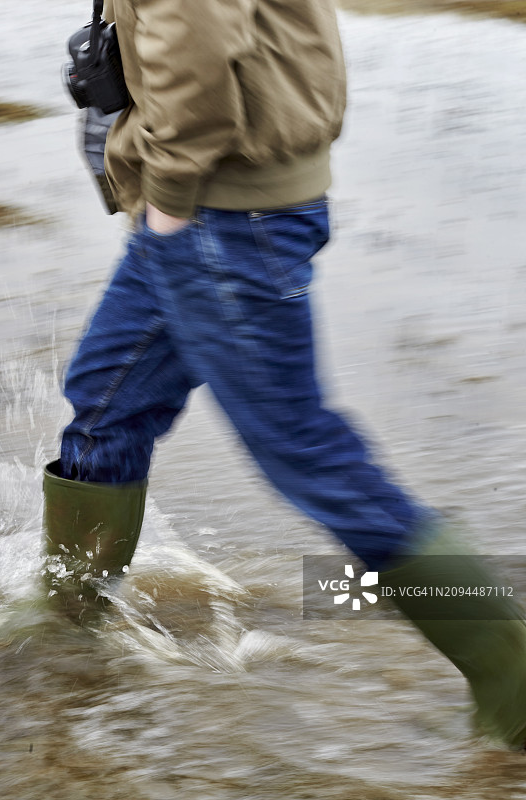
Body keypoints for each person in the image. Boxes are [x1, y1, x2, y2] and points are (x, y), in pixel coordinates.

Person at [43, 0, 526, 748]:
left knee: (306, 453)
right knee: (106, 400)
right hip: (207, 208)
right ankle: (65, 629)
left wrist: (168, 195)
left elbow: (194, 42)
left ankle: (513, 675)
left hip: (216, 213)